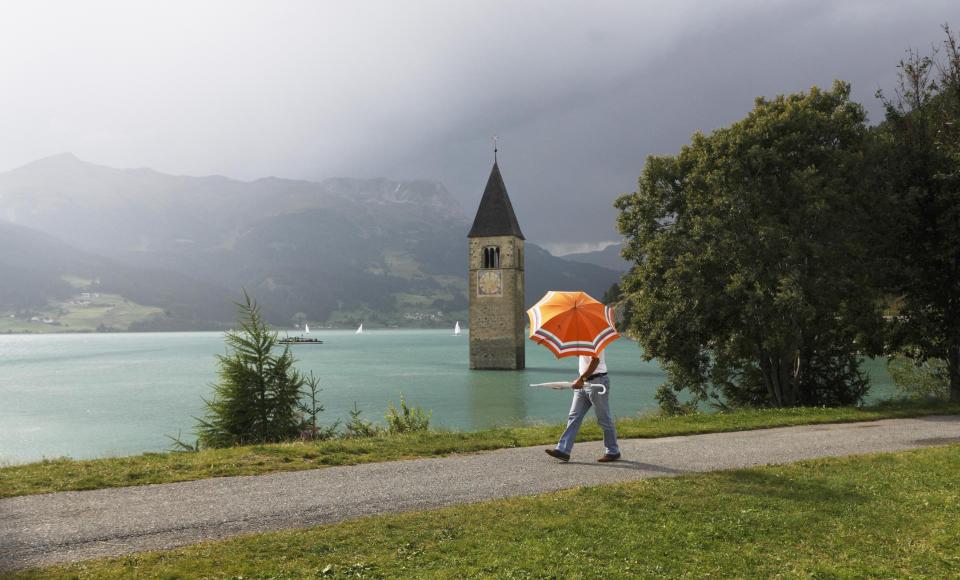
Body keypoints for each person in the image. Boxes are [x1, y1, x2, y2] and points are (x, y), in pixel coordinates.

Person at [545, 350, 621, 462]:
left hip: (597, 382)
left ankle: (613, 451)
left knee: (603, 418)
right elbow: (585, 359)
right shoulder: (583, 342)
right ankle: (563, 450)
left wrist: (581, 379)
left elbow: (595, 361)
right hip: (583, 382)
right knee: (574, 416)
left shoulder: (594, 341)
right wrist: (565, 385)